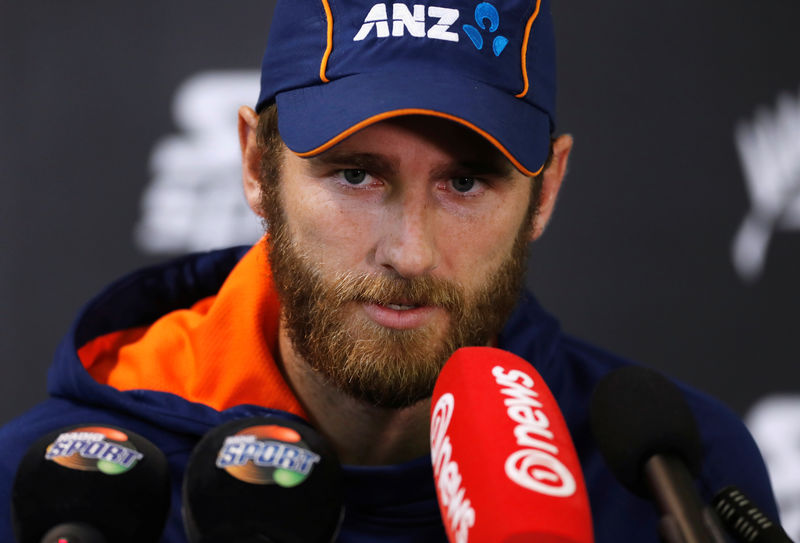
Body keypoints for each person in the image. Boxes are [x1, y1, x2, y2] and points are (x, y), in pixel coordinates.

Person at [0, 0, 780, 541]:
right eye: (355, 175)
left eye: (466, 182)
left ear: (546, 192)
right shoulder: (58, 486)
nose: (408, 251)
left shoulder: (672, 478)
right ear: (254, 164)